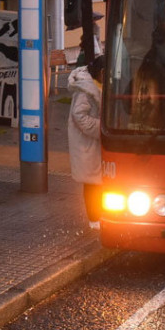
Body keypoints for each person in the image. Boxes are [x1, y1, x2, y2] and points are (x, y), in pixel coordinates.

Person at [67, 55, 105, 230]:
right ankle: (94, 219)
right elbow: (79, 116)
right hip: (88, 144)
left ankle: (100, 215)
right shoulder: (85, 89)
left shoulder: (96, 84)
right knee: (92, 183)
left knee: (98, 181)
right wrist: (101, 128)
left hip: (95, 143)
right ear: (102, 72)